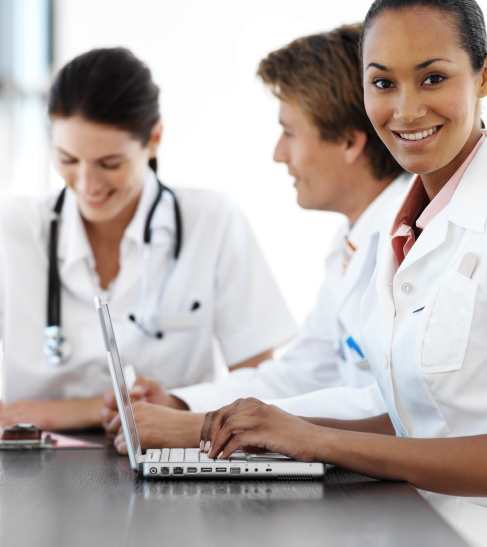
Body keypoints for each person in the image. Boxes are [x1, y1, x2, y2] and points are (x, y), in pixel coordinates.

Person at [198, 0, 487, 547]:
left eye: (433, 78)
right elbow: (420, 417)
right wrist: (279, 429)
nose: (406, 110)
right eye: (383, 83)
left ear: (486, 75)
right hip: (410, 519)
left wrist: (318, 441)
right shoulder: (402, 227)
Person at [102, 24, 410, 452]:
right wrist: (180, 402)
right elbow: (296, 374)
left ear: (349, 141)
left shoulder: (411, 245)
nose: (277, 154)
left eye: (289, 132)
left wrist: (200, 426)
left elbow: (400, 409)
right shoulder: (353, 242)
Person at [0, 47, 297, 431]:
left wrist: (70, 411)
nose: (88, 185)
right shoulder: (12, 227)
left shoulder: (212, 220)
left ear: (154, 138)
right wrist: (94, 409)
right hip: (32, 465)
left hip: (171, 458)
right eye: (68, 160)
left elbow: (258, 387)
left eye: (110, 163)